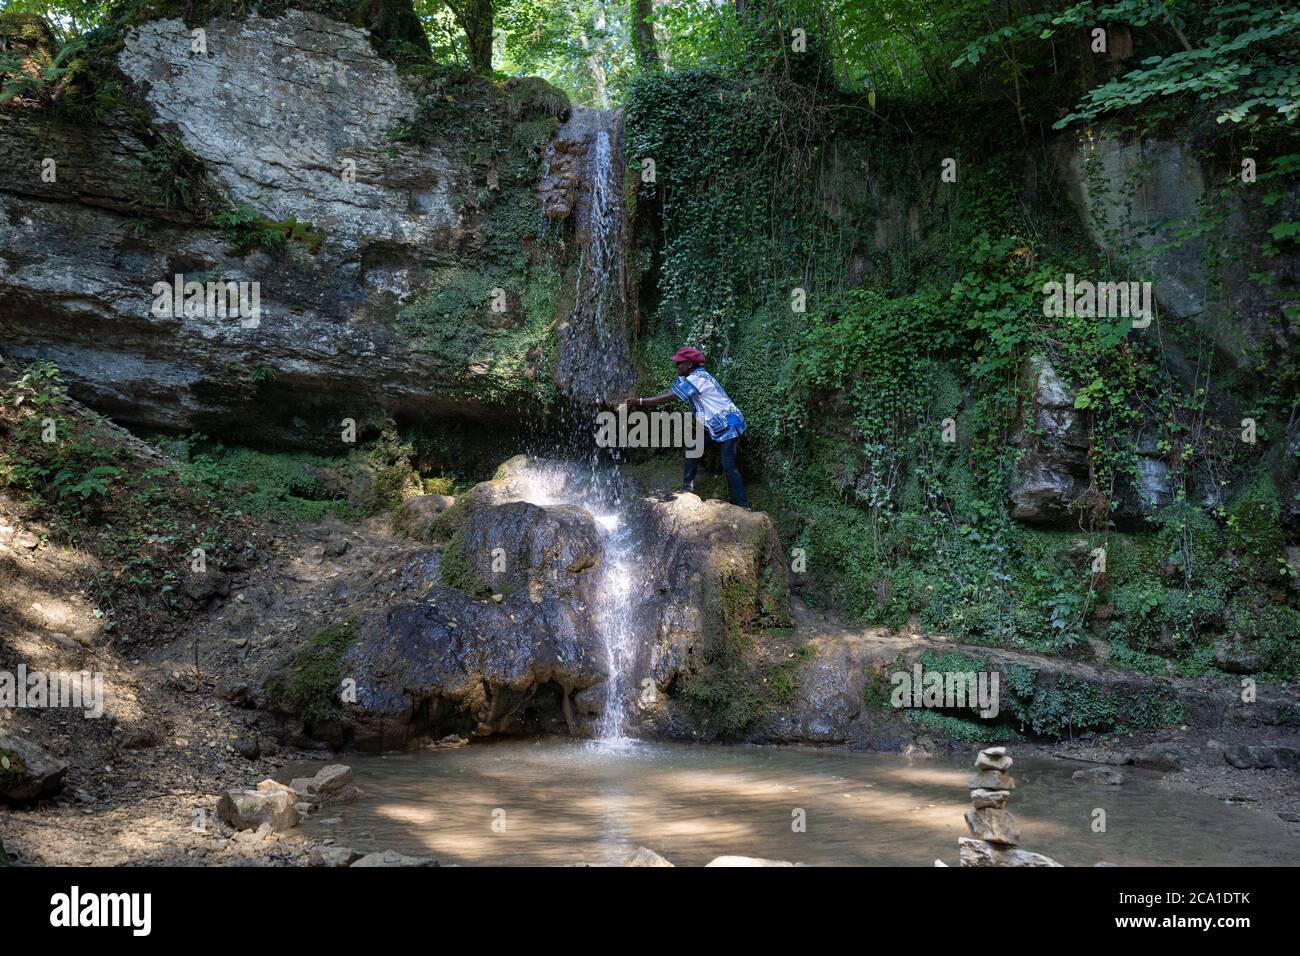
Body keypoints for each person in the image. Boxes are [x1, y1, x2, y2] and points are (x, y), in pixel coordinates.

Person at [627, 347, 750, 508]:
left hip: (728, 423)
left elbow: (668, 398)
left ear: (689, 364)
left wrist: (640, 401)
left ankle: (743, 505)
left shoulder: (698, 379)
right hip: (713, 424)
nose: (676, 367)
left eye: (679, 363)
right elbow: (673, 391)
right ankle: (687, 491)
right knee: (692, 450)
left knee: (728, 463)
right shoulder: (687, 378)